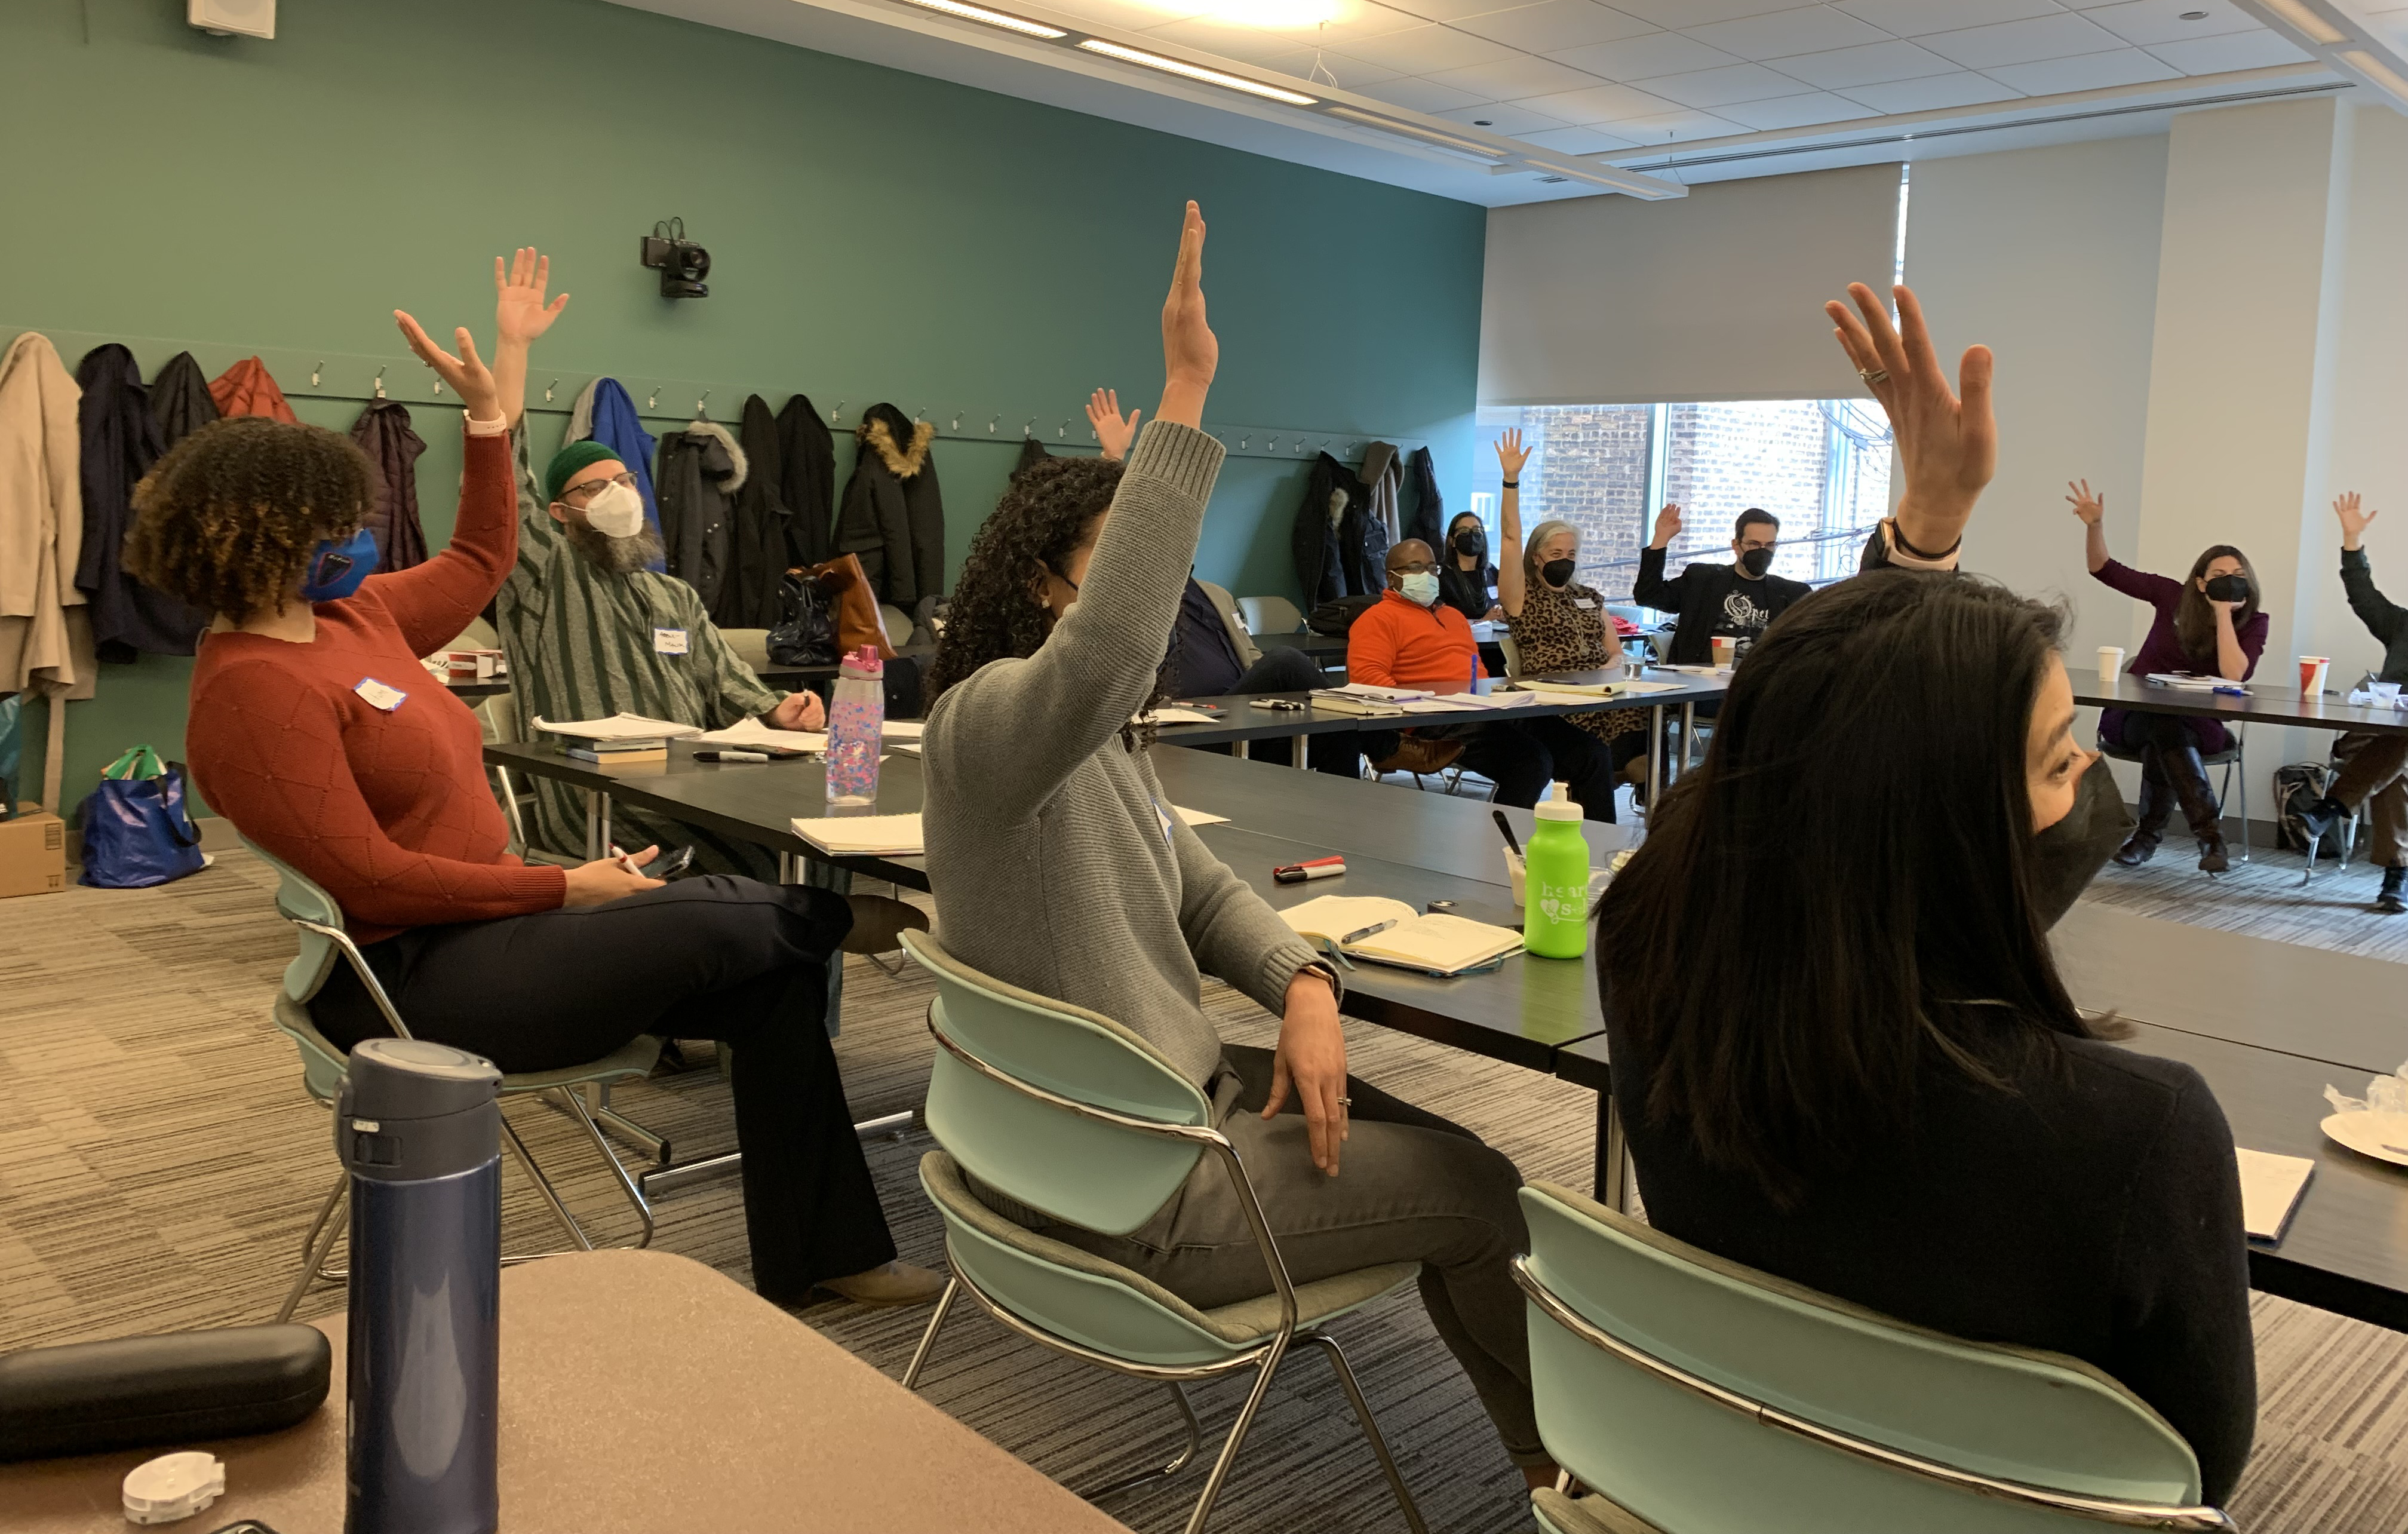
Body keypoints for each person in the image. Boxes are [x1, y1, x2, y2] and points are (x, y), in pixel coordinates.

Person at [134, 250, 939, 1309]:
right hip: (410, 981)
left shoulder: (351, 618)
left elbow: (476, 555)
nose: (355, 536)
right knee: (717, 923)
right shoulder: (252, 690)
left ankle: (827, 1253)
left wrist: (486, 416)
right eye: (331, 524)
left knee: (764, 972)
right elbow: (373, 883)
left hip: (493, 932)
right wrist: (565, 887)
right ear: (260, 537)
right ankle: (871, 923)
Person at [921, 204, 1554, 1489]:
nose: (1162, 599)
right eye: (1125, 572)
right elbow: (1106, 650)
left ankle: (1564, 1466)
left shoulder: (1087, 747)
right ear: (1049, 584)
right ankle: (1569, 1482)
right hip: (1131, 1184)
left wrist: (1307, 982)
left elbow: (1201, 892)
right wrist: (1187, 391)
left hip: (1151, 1121)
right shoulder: (991, 722)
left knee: (1466, 1152)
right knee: (1487, 1200)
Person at [1598, 278, 2249, 1510]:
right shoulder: (2139, 1134)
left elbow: (1781, 775)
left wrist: (1926, 537)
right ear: (1954, 828)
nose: (2089, 793)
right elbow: (2198, 1467)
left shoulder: (1648, 967)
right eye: (2063, 762)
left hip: (1717, 1481)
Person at [485, 258, 825, 880]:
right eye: (593, 489)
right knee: (773, 858)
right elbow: (501, 475)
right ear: (560, 512)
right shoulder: (543, 578)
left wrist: (780, 711)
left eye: (623, 480)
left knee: (814, 840)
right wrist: (513, 347)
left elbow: (726, 682)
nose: (616, 495)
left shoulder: (674, 596)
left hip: (695, 787)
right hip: (599, 801)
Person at [2071, 478, 2267, 873]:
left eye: (2238, 573)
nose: (2230, 578)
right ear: (2200, 581)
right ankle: (2210, 839)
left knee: (2167, 732)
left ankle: (2147, 839)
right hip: (2132, 717)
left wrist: (2224, 613)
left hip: (2201, 726)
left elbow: (2234, 674)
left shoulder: (2253, 621)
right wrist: (2095, 526)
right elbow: (2104, 569)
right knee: (2163, 726)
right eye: (2219, 573)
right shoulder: (2169, 595)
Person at [1346, 536, 1621, 817]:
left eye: (1432, 568)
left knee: (1591, 753)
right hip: (1435, 720)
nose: (1426, 576)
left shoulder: (1452, 616)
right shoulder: (1376, 619)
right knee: (1531, 762)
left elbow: (1478, 672)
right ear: (1391, 577)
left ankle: (1603, 850)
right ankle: (1501, 847)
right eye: (1415, 568)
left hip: (1485, 707)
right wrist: (1423, 710)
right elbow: (1369, 682)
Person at [1491, 428, 1648, 818]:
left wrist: (1610, 669)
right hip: (1553, 706)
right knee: (1595, 753)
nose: (1566, 559)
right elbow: (1510, 538)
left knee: (1652, 732)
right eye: (1556, 552)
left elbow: (1615, 651)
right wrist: (1511, 480)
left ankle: (1652, 820)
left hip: (1599, 695)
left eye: (1572, 552)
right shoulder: (1522, 595)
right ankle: (1605, 821)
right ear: (1538, 557)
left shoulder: (1589, 597)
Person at [2290, 492, 2408, 914]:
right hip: (2370, 735)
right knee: (2398, 750)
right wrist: (2352, 541)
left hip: (2393, 743)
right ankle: (2398, 874)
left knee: (2402, 753)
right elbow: (2363, 596)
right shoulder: (2402, 626)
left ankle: (2331, 808)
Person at [1633, 504, 1810, 666]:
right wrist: (1661, 539)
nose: (1762, 551)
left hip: (1760, 683)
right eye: (1754, 544)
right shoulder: (1702, 580)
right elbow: (1648, 595)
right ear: (1736, 545)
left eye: (1770, 545)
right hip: (1702, 681)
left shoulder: (1792, 594)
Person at [1438, 510, 1501, 623]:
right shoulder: (1442, 577)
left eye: (1477, 530)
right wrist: (1484, 621)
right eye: (1464, 531)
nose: (1472, 535)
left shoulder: (1492, 572)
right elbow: (1442, 622)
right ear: (1452, 541)